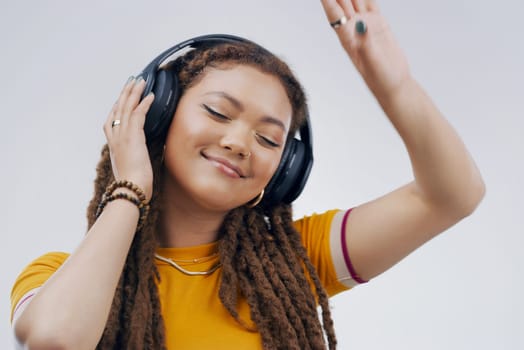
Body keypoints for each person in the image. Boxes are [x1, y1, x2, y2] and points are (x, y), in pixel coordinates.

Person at [10, 1, 485, 349]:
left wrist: (395, 87)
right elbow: (57, 338)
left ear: (284, 172)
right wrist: (130, 185)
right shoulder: (56, 276)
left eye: (268, 139)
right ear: (156, 117)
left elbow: (452, 196)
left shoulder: (298, 262)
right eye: (218, 112)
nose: (239, 142)